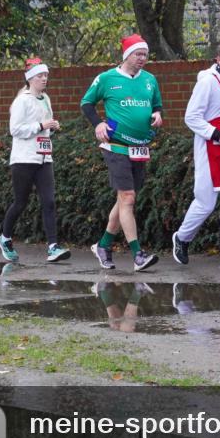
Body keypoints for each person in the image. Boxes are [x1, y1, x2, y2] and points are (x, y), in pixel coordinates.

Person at [80, 34, 162, 272]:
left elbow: (157, 105)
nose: (142, 59)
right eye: (138, 54)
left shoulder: (150, 80)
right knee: (128, 198)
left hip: (140, 147)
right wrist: (98, 124)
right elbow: (86, 103)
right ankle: (138, 255)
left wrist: (157, 115)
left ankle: (103, 245)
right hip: (115, 145)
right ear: (127, 55)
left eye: (145, 55)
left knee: (124, 199)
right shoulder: (107, 78)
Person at [171, 42, 220, 272]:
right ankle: (182, 238)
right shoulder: (207, 82)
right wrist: (216, 134)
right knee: (206, 203)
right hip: (209, 147)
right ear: (219, 59)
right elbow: (191, 117)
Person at [0, 58, 70, 263]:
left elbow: (44, 128)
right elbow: (15, 130)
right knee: (21, 202)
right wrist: (40, 125)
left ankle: (53, 247)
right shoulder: (22, 100)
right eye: (40, 76)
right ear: (30, 79)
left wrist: (51, 128)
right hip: (23, 159)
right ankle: (5, 238)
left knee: (49, 202)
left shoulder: (46, 99)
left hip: (45, 158)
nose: (44, 79)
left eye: (46, 75)